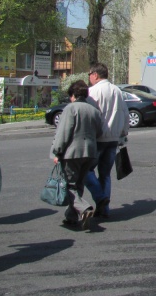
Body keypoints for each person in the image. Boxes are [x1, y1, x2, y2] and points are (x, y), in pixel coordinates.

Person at [51, 80, 105, 230]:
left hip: (72, 152)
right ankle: (71, 217)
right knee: (78, 184)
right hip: (90, 152)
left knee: (69, 185)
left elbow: (63, 133)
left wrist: (57, 151)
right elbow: (99, 132)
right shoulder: (94, 110)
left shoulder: (71, 108)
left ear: (73, 95)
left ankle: (84, 208)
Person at [85, 63, 129, 218]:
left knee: (86, 171)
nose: (89, 77)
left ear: (95, 75)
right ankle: (104, 209)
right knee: (105, 174)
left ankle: (100, 198)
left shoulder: (92, 91)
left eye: (89, 74)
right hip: (114, 139)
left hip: (97, 138)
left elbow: (89, 115)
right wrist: (123, 134)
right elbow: (125, 113)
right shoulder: (117, 90)